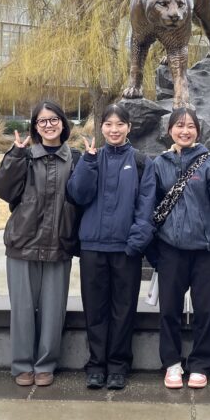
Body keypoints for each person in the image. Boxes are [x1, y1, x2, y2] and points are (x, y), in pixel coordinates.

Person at [67, 103, 156, 390]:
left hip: (125, 249)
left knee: (123, 309)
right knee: (95, 310)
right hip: (92, 247)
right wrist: (89, 163)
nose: (114, 129)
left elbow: (147, 206)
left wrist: (136, 243)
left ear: (129, 127)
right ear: (101, 127)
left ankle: (118, 365)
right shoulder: (90, 158)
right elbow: (78, 195)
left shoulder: (142, 162)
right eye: (108, 124)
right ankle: (96, 364)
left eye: (120, 124)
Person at [0, 100, 80, 388]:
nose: (49, 125)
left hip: (59, 241)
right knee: (22, 309)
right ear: (34, 126)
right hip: (23, 241)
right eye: (42, 121)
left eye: (54, 119)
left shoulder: (76, 158)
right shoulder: (25, 156)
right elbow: (5, 191)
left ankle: (45, 364)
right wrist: (15, 156)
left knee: (53, 310)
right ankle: (21, 365)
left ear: (63, 123)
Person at [151, 107, 210, 389]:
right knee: (169, 309)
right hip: (171, 248)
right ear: (169, 131)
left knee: (206, 309)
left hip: (206, 248)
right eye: (179, 125)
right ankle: (172, 363)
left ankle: (200, 363)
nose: (184, 130)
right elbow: (151, 206)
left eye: (190, 126)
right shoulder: (159, 163)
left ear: (198, 131)